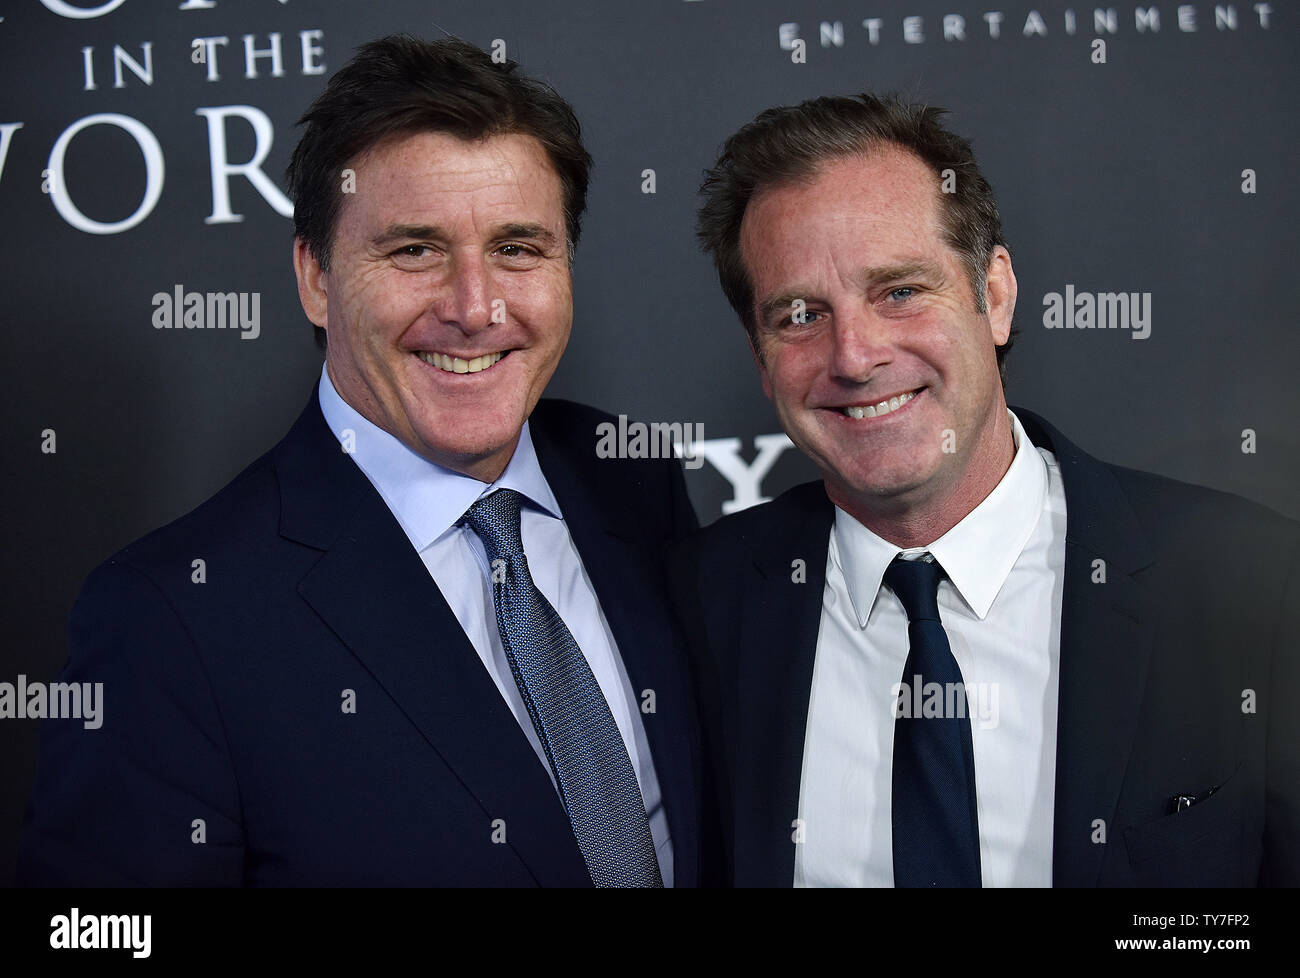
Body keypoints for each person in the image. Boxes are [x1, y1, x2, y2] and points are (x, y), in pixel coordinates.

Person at [17, 35, 708, 887]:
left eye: (519, 248)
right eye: (414, 249)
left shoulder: (632, 478)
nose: (474, 306)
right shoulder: (168, 623)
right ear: (315, 276)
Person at [675, 93, 1299, 887]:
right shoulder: (700, 604)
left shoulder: (1253, 586)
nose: (855, 356)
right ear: (762, 361)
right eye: (800, 314)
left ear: (994, 294)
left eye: (899, 290)